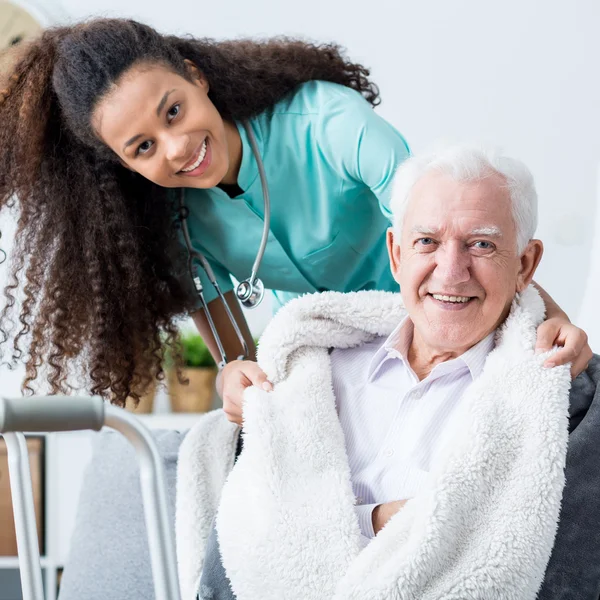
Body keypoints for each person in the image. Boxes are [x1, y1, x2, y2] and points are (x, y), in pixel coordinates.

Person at [0, 18, 591, 410]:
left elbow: (448, 233)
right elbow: (234, 348)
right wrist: (237, 378)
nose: (176, 147)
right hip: (330, 360)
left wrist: (553, 320)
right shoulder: (173, 223)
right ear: (123, 165)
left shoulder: (329, 123)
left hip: (440, 324)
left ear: (196, 78)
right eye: (143, 147)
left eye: (173, 111)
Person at [176, 144, 600, 600]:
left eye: (482, 244)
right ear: (397, 255)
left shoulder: (552, 397)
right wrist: (381, 520)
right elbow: (259, 518)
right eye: (427, 242)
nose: (452, 271)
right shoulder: (311, 365)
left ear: (525, 265)